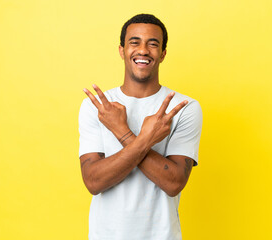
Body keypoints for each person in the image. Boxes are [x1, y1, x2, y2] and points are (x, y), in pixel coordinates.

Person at [78, 13, 202, 240]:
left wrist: (122, 131)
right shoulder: (97, 107)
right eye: (134, 42)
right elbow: (93, 182)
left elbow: (173, 182)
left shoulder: (184, 108)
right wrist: (144, 139)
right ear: (121, 50)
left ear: (163, 54)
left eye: (153, 44)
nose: (143, 50)